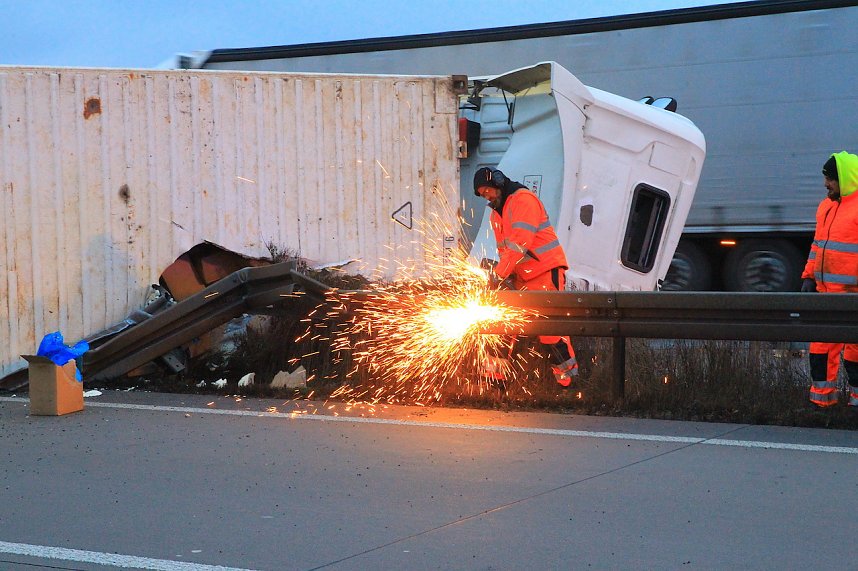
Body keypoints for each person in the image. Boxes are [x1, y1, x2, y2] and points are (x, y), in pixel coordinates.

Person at [473, 166, 578, 387]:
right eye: (482, 194)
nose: (487, 196)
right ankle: (494, 383)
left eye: (487, 191)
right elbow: (505, 251)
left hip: (545, 272)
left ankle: (569, 384)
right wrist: (503, 275)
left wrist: (499, 275)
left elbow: (520, 243)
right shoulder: (496, 214)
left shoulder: (523, 200)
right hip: (521, 276)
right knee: (500, 326)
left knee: (550, 333)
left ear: (498, 183)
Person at [801, 151, 858, 410]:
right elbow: (818, 244)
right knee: (821, 349)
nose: (826, 184)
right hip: (828, 294)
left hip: (853, 296)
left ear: (846, 180)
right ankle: (821, 405)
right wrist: (808, 275)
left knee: (855, 355)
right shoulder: (826, 206)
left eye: (831, 179)